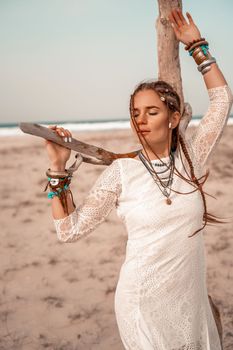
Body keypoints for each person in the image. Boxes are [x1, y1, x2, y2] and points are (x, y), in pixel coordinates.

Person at [44, 8, 233, 350]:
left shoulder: (191, 158)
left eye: (152, 111)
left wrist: (197, 48)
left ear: (174, 118)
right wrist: (58, 171)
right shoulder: (122, 172)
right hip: (142, 304)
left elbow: (221, 102)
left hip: (190, 303)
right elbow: (69, 231)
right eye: (135, 113)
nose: (141, 120)